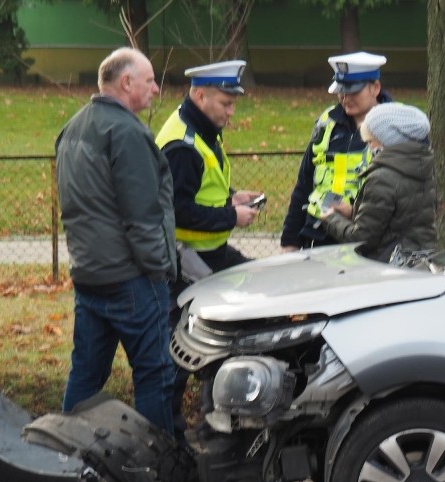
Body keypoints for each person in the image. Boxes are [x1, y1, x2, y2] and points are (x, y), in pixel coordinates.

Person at [55, 47, 177, 436]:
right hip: (132, 281)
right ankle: (159, 471)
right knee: (155, 375)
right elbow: (142, 217)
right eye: (149, 80)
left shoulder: (73, 127)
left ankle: (67, 459)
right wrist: (160, 270)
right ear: (126, 83)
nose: (155, 89)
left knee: (86, 375)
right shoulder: (126, 132)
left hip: (90, 277)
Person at [155, 60, 261, 436]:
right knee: (185, 345)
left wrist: (232, 198)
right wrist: (232, 217)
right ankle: (170, 431)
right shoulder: (183, 145)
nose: (231, 113)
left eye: (233, 104)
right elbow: (177, 210)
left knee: (246, 301)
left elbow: (201, 189)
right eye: (225, 104)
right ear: (200, 96)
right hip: (188, 257)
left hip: (207, 251)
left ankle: (211, 414)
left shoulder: (200, 128)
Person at [281, 51, 392, 251]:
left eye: (353, 91)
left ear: (375, 88)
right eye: (341, 90)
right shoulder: (327, 123)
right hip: (318, 236)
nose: (344, 97)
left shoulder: (395, 127)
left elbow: (403, 196)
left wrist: (354, 212)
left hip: (367, 242)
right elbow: (304, 184)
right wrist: (290, 241)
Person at [319, 102, 437, 263]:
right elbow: (398, 219)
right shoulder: (422, 167)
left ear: (387, 142)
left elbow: (362, 240)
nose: (368, 148)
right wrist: (352, 212)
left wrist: (331, 219)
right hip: (417, 263)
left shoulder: (382, 178)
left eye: (370, 142)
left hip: (386, 268)